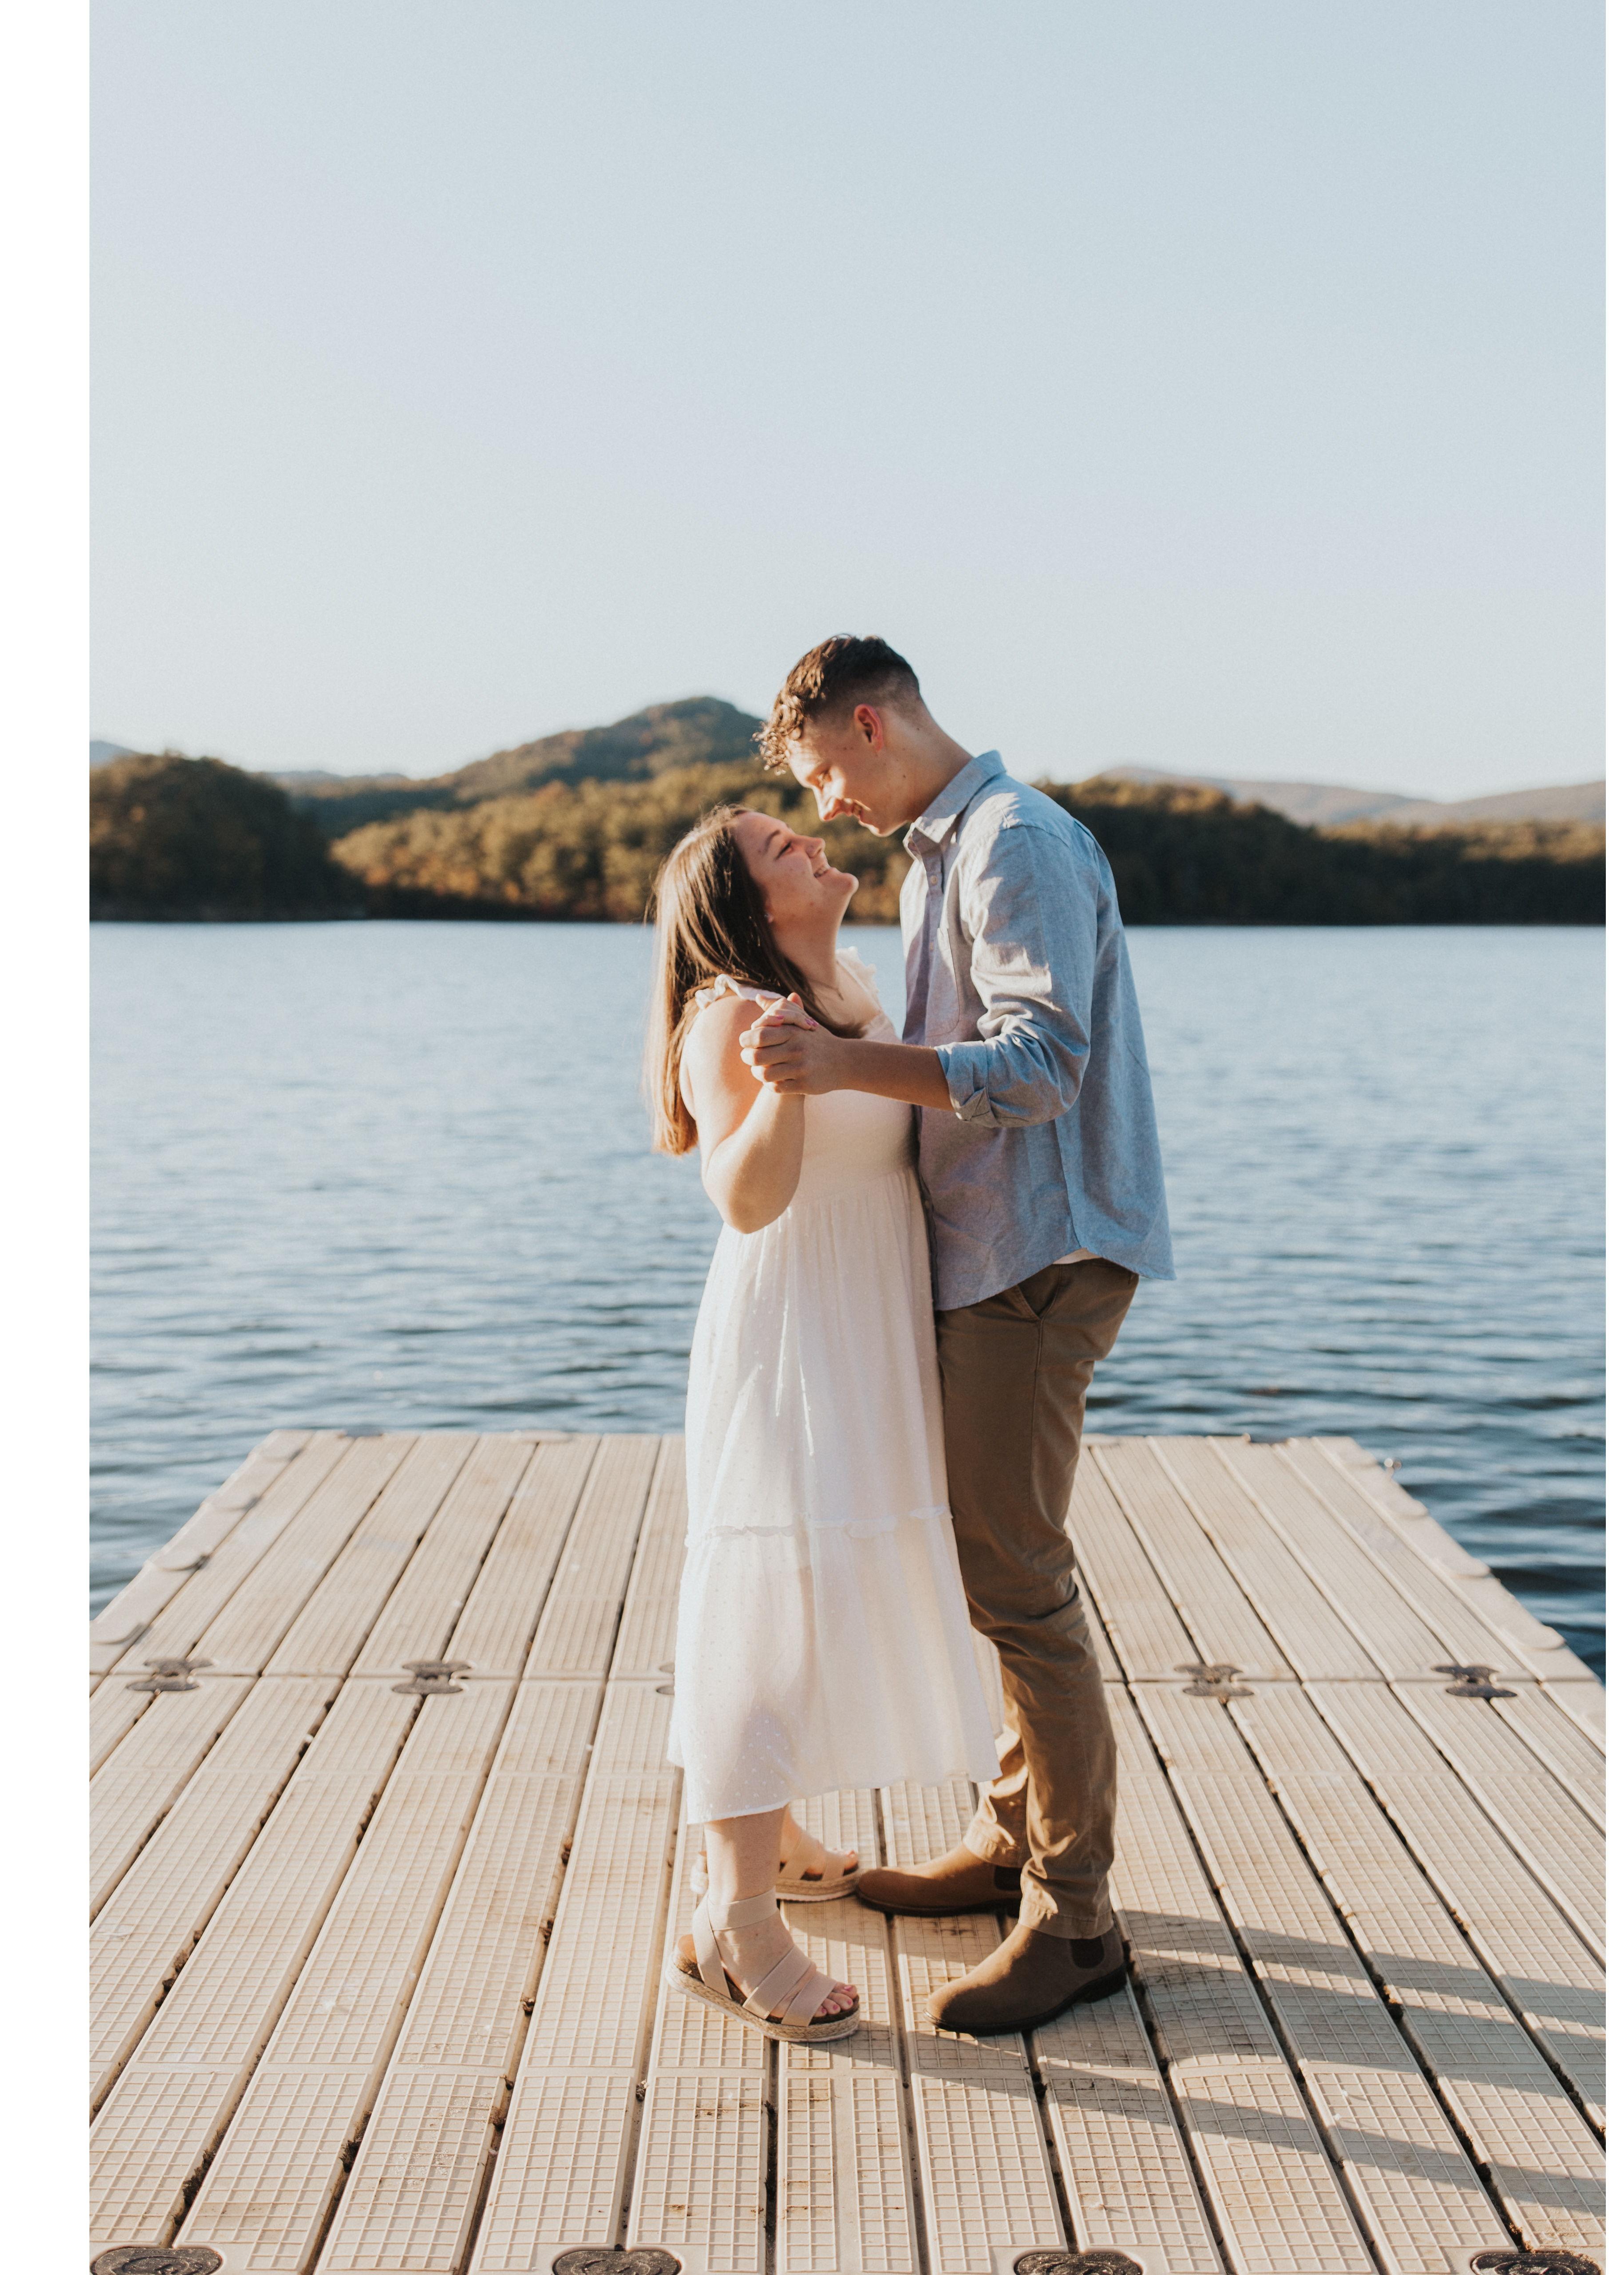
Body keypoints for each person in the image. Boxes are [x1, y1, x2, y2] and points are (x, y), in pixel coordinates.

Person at [739, 634, 1173, 2035]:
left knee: (1021, 1583)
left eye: (820, 773)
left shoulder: (1010, 843)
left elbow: (1043, 1064)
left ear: (868, 724)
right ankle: (1012, 1846)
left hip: (1037, 1255)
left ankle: (1076, 1918)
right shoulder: (947, 850)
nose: (825, 808)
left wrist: (842, 1063)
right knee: (993, 1566)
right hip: (995, 1254)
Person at [646, 800, 1001, 2044]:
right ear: (748, 905)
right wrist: (787, 1085)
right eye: (775, 849)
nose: (805, 842)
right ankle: (733, 1925)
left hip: (872, 1315)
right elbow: (741, 1197)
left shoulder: (858, 984)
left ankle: (776, 1828)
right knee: (770, 1592)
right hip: (791, 1328)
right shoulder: (732, 1015)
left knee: (832, 1583)